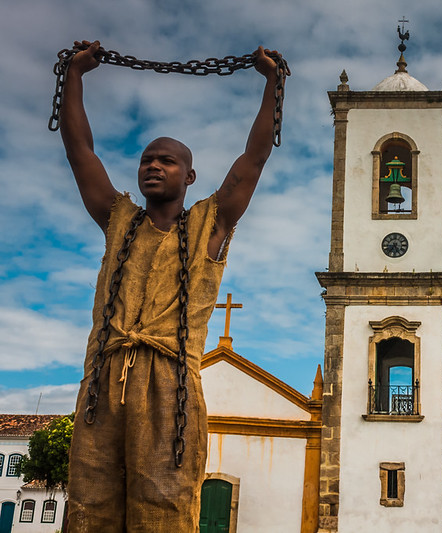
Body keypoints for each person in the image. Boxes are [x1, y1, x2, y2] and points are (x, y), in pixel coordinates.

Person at [60, 40, 281, 531]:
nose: (154, 166)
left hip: (170, 385)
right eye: (146, 160)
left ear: (190, 175)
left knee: (164, 506)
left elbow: (253, 159)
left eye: (167, 161)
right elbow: (80, 154)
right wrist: (74, 77)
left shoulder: (210, 224)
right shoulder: (119, 219)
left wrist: (272, 84)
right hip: (102, 380)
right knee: (89, 504)